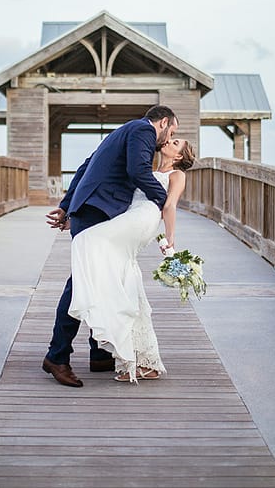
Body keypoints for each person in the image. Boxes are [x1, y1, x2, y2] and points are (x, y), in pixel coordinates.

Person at [42, 105, 178, 387]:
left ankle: (100, 353)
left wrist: (67, 207)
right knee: (82, 282)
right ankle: (57, 356)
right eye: (171, 132)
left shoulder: (121, 131)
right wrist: (163, 200)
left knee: (100, 278)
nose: (167, 140)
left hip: (92, 207)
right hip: (98, 209)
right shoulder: (142, 129)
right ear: (162, 122)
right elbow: (138, 171)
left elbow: (84, 167)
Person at [68, 137, 196, 383]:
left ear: (180, 155)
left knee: (87, 240)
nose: (169, 140)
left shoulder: (177, 175)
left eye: (176, 142)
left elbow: (169, 206)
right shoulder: (145, 170)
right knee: (126, 279)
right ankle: (142, 360)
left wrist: (170, 239)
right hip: (130, 216)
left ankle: (97, 312)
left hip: (144, 218)